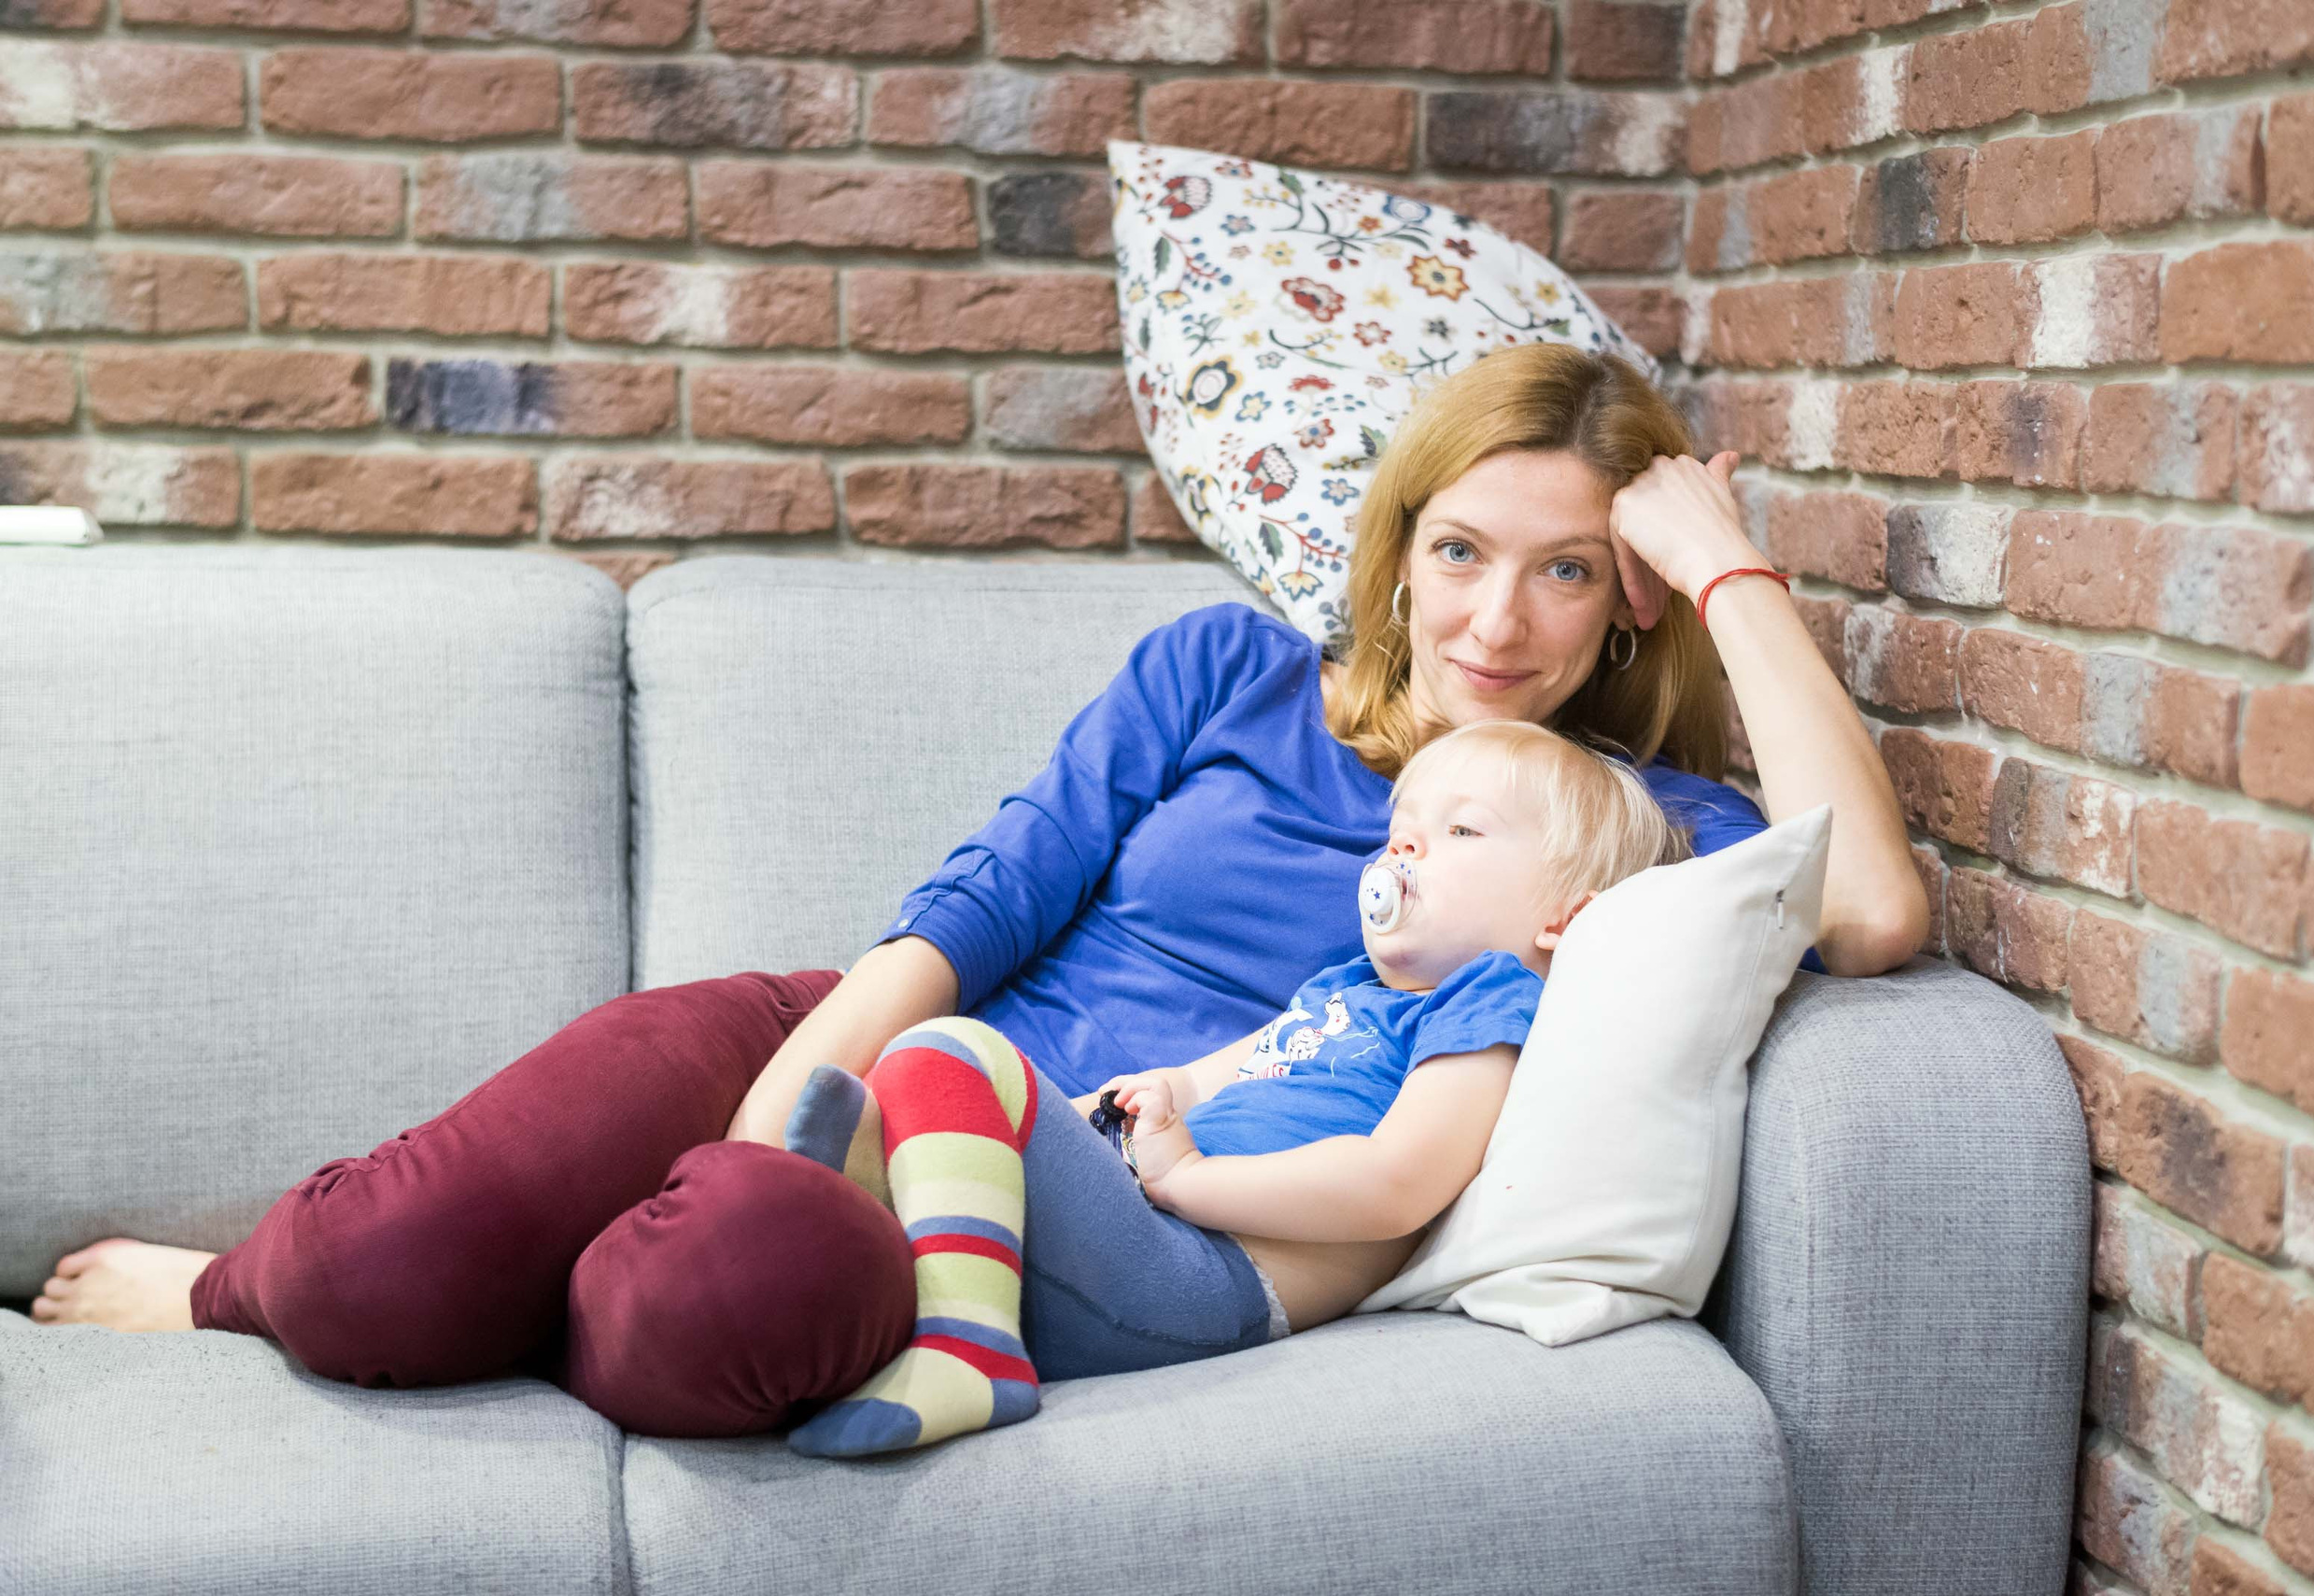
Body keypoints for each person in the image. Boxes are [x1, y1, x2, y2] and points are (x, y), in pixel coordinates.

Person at [31, 344, 1927, 1440]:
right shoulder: (1219, 668)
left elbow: (1868, 917)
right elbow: (1000, 881)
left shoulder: (1613, 818)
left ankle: (551, 1286)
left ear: (1624, 607)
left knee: (712, 1301)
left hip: (1015, 1208)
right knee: (374, 1261)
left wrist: (1727, 565)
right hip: (840, 1036)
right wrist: (823, 1065)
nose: (1493, 619)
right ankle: (254, 1284)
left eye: (1569, 573)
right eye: (1457, 549)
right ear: (1397, 542)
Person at [775, 717, 1685, 1457]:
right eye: (1401, 829)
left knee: (948, 1049)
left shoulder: (1486, 1004)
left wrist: (1187, 1179)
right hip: (1148, 1223)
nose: (1404, 850)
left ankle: (963, 1345)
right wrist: (1147, 1095)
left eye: (1459, 830)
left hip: (1207, 1277)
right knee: (928, 1078)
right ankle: (849, 1235)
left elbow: (1396, 1184)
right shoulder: (1343, 987)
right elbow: (1210, 1074)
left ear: (1565, 913)